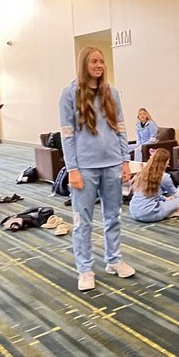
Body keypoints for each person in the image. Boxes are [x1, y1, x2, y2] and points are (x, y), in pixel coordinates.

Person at [59, 47, 135, 292]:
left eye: (101, 61)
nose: (99, 65)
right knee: (83, 221)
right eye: (94, 61)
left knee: (114, 217)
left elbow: (121, 128)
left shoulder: (112, 93)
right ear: (84, 64)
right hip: (85, 167)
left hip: (112, 163)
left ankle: (113, 260)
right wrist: (72, 169)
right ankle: (85, 268)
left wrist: (125, 160)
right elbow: (67, 135)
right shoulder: (70, 94)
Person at [129, 149, 179, 223]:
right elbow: (176, 194)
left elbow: (149, 195)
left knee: (166, 199)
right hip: (148, 213)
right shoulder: (164, 177)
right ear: (165, 161)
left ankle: (166, 210)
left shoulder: (142, 173)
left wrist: (165, 199)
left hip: (134, 211)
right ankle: (167, 213)